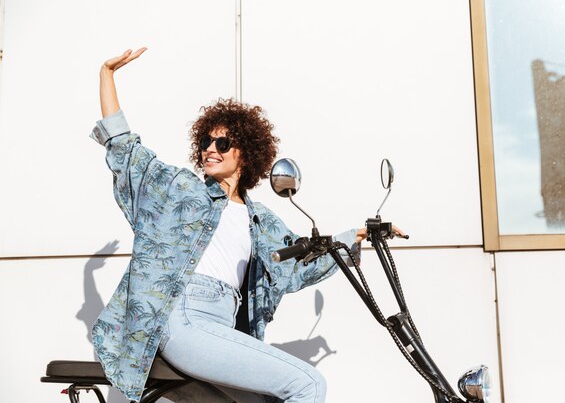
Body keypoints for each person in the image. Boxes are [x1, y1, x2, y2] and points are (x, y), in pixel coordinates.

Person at [90, 48, 383, 403]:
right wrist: (106, 75)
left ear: (246, 152)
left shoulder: (260, 221)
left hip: (219, 323)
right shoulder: (179, 189)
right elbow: (126, 151)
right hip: (182, 318)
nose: (210, 149)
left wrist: (355, 237)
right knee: (309, 385)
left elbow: (297, 263)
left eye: (222, 142)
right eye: (205, 142)